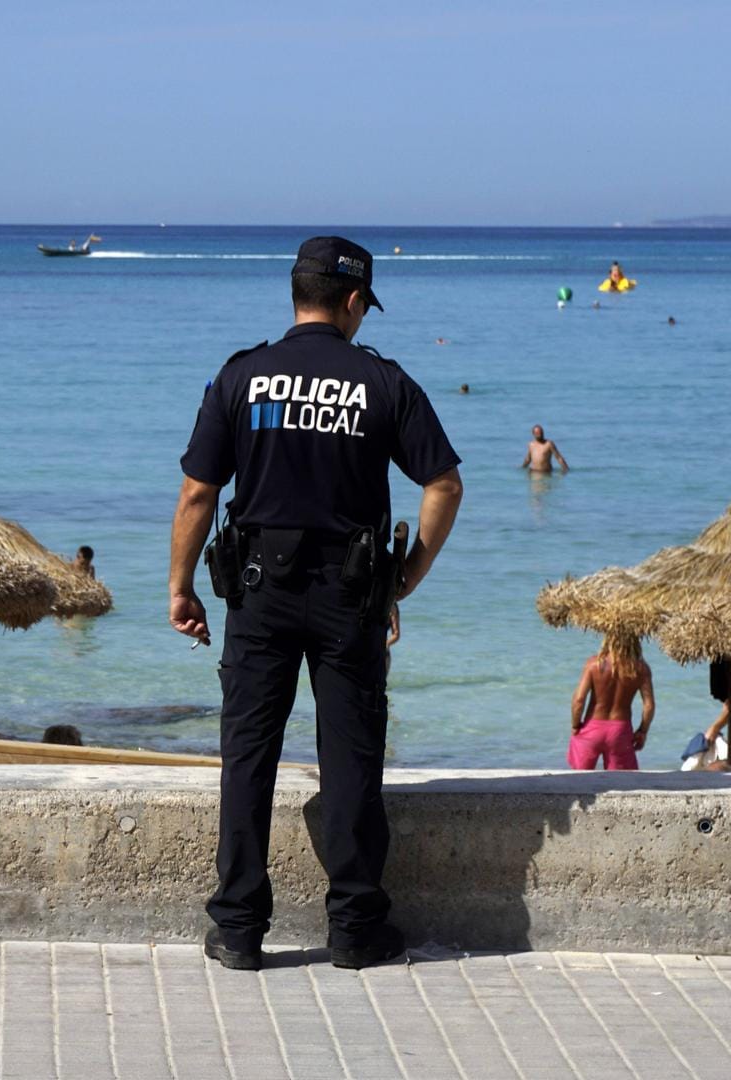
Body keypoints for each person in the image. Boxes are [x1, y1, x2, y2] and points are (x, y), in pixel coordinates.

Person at [168, 236, 464, 973]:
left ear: (295, 293)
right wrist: (407, 577)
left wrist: (179, 586)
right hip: (351, 595)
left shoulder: (243, 376)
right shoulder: (383, 383)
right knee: (352, 756)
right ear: (355, 301)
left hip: (259, 593)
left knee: (248, 758)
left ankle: (238, 928)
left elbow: (199, 492)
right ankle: (357, 931)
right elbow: (445, 485)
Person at [567, 635, 654, 770]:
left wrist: (575, 725)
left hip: (592, 728)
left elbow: (578, 700)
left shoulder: (593, 664)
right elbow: (649, 706)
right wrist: (643, 731)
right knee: (621, 783)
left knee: (579, 779)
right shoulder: (641, 669)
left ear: (608, 641)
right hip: (620, 731)